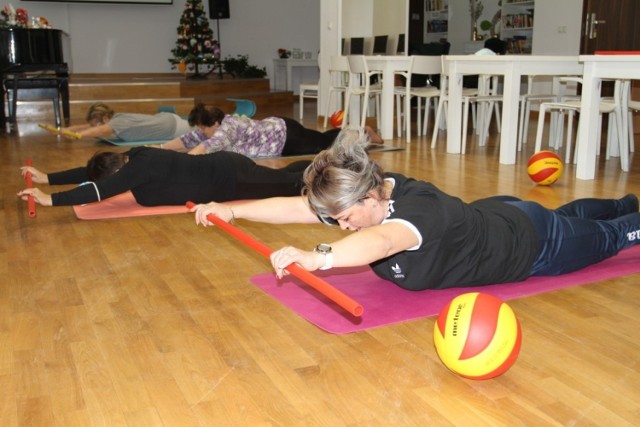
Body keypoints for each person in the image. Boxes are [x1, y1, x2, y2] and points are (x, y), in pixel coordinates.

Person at [191, 128, 640, 291]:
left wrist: (318, 257)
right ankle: (624, 200)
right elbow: (298, 209)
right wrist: (232, 211)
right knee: (567, 212)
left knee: (613, 238)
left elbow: (384, 239)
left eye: (344, 217)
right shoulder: (367, 196)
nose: (340, 225)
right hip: (500, 213)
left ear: (370, 198)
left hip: (533, 244)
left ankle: (627, 214)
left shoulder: (414, 212)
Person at [17, 146, 311, 208]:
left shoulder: (138, 168)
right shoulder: (131, 156)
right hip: (226, 171)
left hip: (230, 175)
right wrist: (47, 178)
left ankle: (328, 167)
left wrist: (50, 200)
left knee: (293, 186)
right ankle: (316, 164)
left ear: (118, 172)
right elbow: (92, 173)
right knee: (282, 177)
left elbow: (98, 190)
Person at [159, 102, 382, 157]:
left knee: (324, 144)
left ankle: (364, 134)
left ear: (214, 124)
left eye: (203, 128)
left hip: (286, 138)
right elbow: (190, 139)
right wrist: (161, 148)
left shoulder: (228, 128)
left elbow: (208, 145)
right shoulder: (216, 126)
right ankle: (361, 130)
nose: (201, 132)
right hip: (283, 129)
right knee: (322, 139)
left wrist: (183, 161)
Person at [58, 102, 193, 141]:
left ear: (105, 118)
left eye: (97, 123)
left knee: (205, 129)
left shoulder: (117, 123)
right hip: (166, 120)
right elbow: (94, 126)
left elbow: (100, 129)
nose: (94, 127)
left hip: (172, 128)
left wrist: (78, 135)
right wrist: (70, 129)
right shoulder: (117, 118)